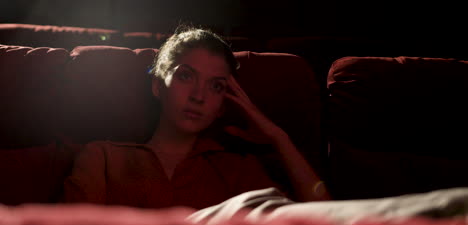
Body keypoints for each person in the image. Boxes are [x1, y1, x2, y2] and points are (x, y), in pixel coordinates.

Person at [62, 25, 330, 210]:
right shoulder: (103, 158)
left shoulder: (238, 170)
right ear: (157, 85)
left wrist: (278, 137)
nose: (199, 96)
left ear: (224, 104)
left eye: (216, 86)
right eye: (185, 76)